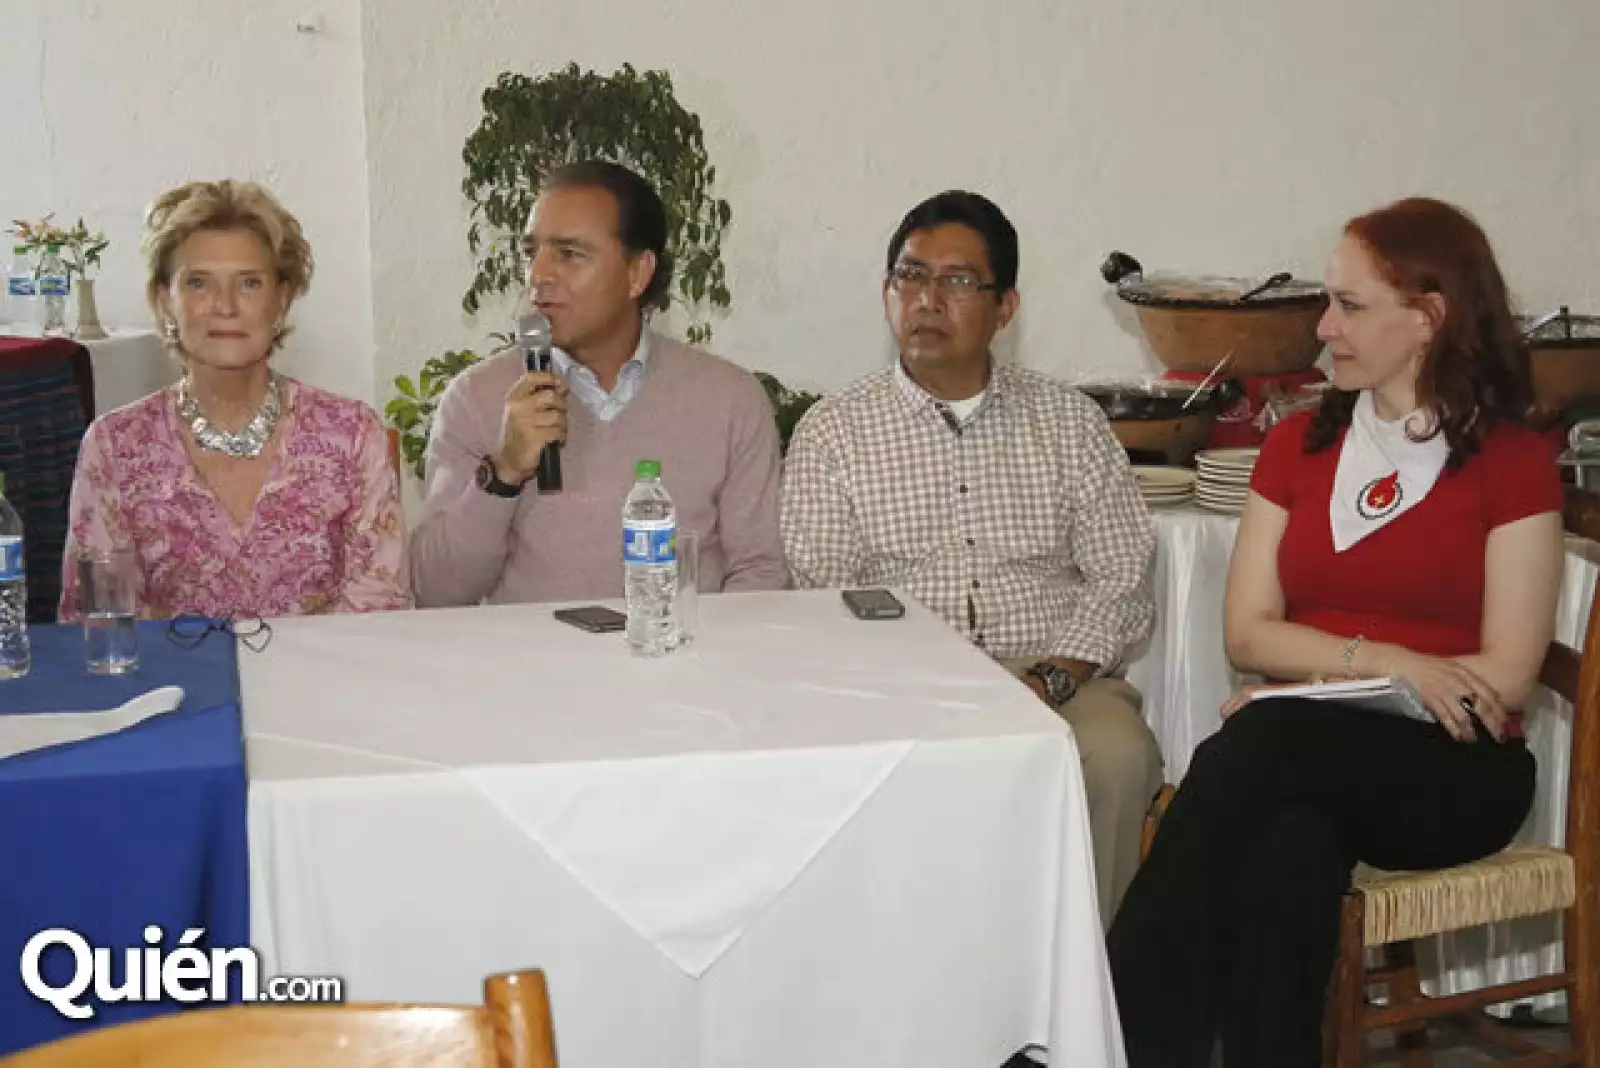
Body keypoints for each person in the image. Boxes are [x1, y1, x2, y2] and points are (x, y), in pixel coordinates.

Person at [1108, 197, 1564, 1068]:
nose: (1323, 327)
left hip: (1457, 767)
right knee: (1291, 844)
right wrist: (1392, 664)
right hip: (1309, 750)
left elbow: (1503, 677)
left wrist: (1324, 684)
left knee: (1267, 739)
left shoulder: (1513, 462)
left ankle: (1119, 1033)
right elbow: (1247, 632)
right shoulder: (1296, 450)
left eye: (1349, 306)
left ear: (1427, 319)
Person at [781, 190, 1163, 924]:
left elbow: (1122, 578)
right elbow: (826, 595)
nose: (927, 298)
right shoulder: (835, 432)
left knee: (1116, 756)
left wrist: (1049, 680)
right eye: (909, 276)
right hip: (900, 688)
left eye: (956, 281)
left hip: (1059, 679)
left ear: (1006, 307)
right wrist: (934, 687)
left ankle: (1094, 998)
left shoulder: (1068, 422)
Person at [410, 160, 786, 606]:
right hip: (528, 670)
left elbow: (760, 573)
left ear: (637, 274)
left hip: (682, 663)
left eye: (569, 254)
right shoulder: (476, 398)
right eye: (531, 253)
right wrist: (505, 472)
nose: (538, 276)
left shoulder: (730, 400)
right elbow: (436, 592)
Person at [59, 180, 409, 621]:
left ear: (282, 298)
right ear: (165, 299)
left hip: (325, 685)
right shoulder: (114, 445)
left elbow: (380, 605)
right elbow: (96, 621)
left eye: (249, 283)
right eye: (199, 283)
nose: (225, 305)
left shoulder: (354, 434)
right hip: (171, 688)